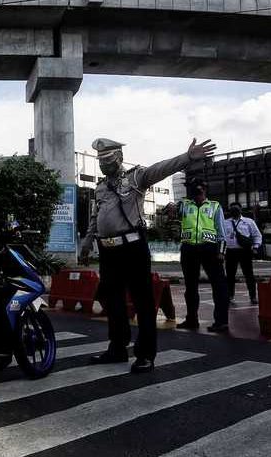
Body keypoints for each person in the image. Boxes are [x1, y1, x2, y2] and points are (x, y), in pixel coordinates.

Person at [80, 137, 217, 373]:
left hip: (132, 247)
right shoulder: (101, 187)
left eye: (109, 159)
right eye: (100, 161)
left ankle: (145, 354)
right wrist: (87, 241)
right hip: (107, 250)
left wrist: (187, 157)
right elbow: (96, 216)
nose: (104, 165)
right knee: (113, 301)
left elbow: (161, 169)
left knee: (142, 302)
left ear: (120, 158)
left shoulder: (136, 177)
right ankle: (117, 348)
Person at [177, 177, 230, 333]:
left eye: (200, 190)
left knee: (219, 286)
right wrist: (172, 208)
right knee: (190, 287)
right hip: (189, 249)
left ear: (205, 190)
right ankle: (191, 319)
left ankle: (221, 321)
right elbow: (173, 212)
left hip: (210, 249)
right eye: (194, 190)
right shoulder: (185, 205)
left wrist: (221, 251)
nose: (197, 193)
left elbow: (222, 232)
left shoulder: (215, 206)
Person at [223, 203, 262, 306]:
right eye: (232, 208)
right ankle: (230, 296)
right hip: (230, 252)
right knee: (230, 276)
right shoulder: (225, 223)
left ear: (241, 209)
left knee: (249, 275)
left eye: (236, 207)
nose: (234, 209)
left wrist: (256, 247)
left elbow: (257, 235)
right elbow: (222, 238)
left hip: (245, 252)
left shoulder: (249, 222)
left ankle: (253, 297)